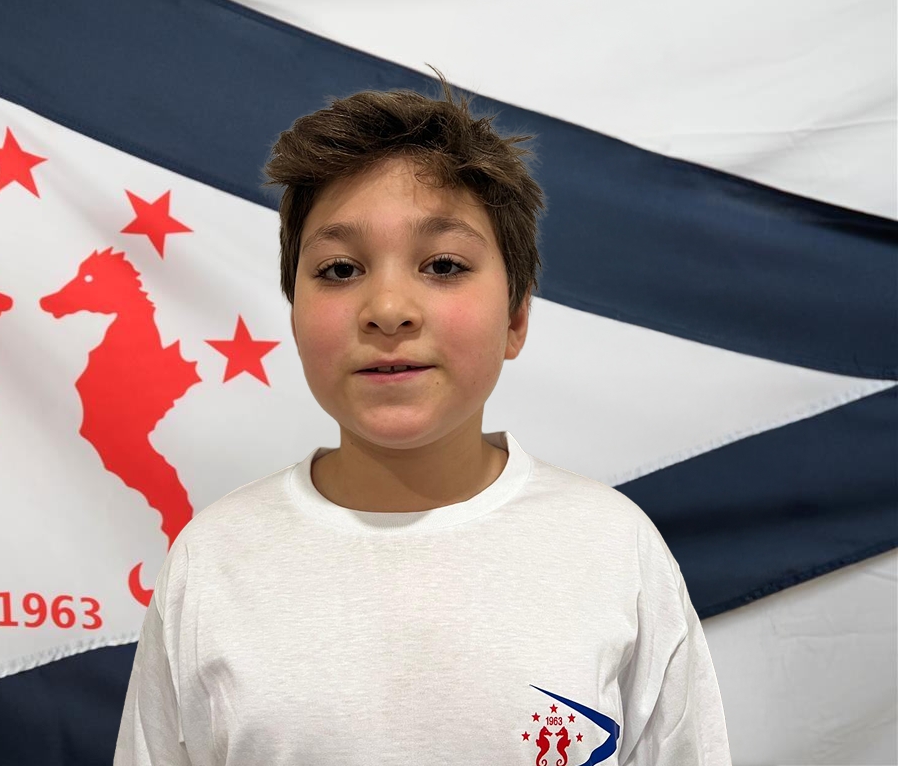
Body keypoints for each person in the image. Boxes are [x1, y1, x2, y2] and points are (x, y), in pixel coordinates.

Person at [113, 67, 733, 766]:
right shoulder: (212, 561)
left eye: (442, 265)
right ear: (294, 314)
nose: (388, 310)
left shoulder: (614, 548)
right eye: (340, 270)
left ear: (516, 317)